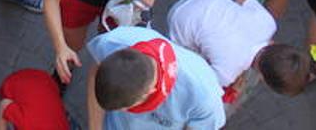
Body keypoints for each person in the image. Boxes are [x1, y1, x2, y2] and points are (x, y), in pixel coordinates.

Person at [85, 26, 226, 129]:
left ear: (149, 92)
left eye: (124, 108)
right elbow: (97, 73)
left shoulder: (203, 97)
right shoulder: (113, 42)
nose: (114, 112)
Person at [167, 0, 277, 106]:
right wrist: (234, 85)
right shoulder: (226, 74)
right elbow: (196, 83)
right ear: (263, 77)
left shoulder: (269, 23)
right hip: (178, 18)